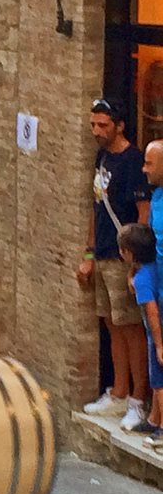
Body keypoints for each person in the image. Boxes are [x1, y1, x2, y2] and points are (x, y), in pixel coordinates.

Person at [79, 98, 151, 429]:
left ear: (119, 126)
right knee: (111, 323)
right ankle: (119, 391)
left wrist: (137, 263)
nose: (96, 131)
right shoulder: (102, 156)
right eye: (94, 124)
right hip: (105, 253)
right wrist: (90, 254)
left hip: (125, 257)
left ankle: (138, 398)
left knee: (132, 328)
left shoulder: (134, 161)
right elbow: (96, 206)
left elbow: (142, 214)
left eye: (103, 125)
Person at [115, 224, 163, 445]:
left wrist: (159, 345)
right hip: (156, 333)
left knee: (158, 381)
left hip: (157, 334)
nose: (120, 253)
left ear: (129, 254)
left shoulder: (142, 280)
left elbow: (151, 311)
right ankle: (154, 420)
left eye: (122, 250)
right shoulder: (152, 267)